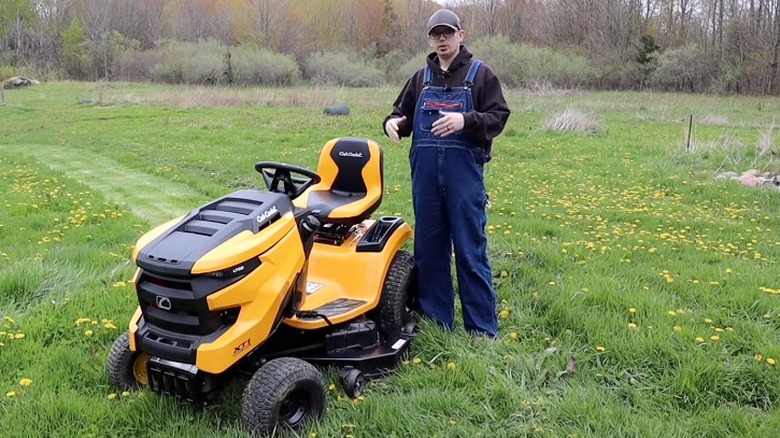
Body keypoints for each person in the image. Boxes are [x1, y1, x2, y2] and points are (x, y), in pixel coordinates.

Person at [383, 9, 510, 339]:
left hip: (463, 181)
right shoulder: (419, 79)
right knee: (429, 250)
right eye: (435, 34)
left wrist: (465, 121)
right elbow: (401, 115)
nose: (442, 39)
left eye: (447, 33)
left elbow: (498, 116)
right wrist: (391, 124)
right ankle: (437, 323)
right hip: (425, 181)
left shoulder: (481, 76)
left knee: (470, 250)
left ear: (460, 35)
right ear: (429, 39)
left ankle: (481, 329)